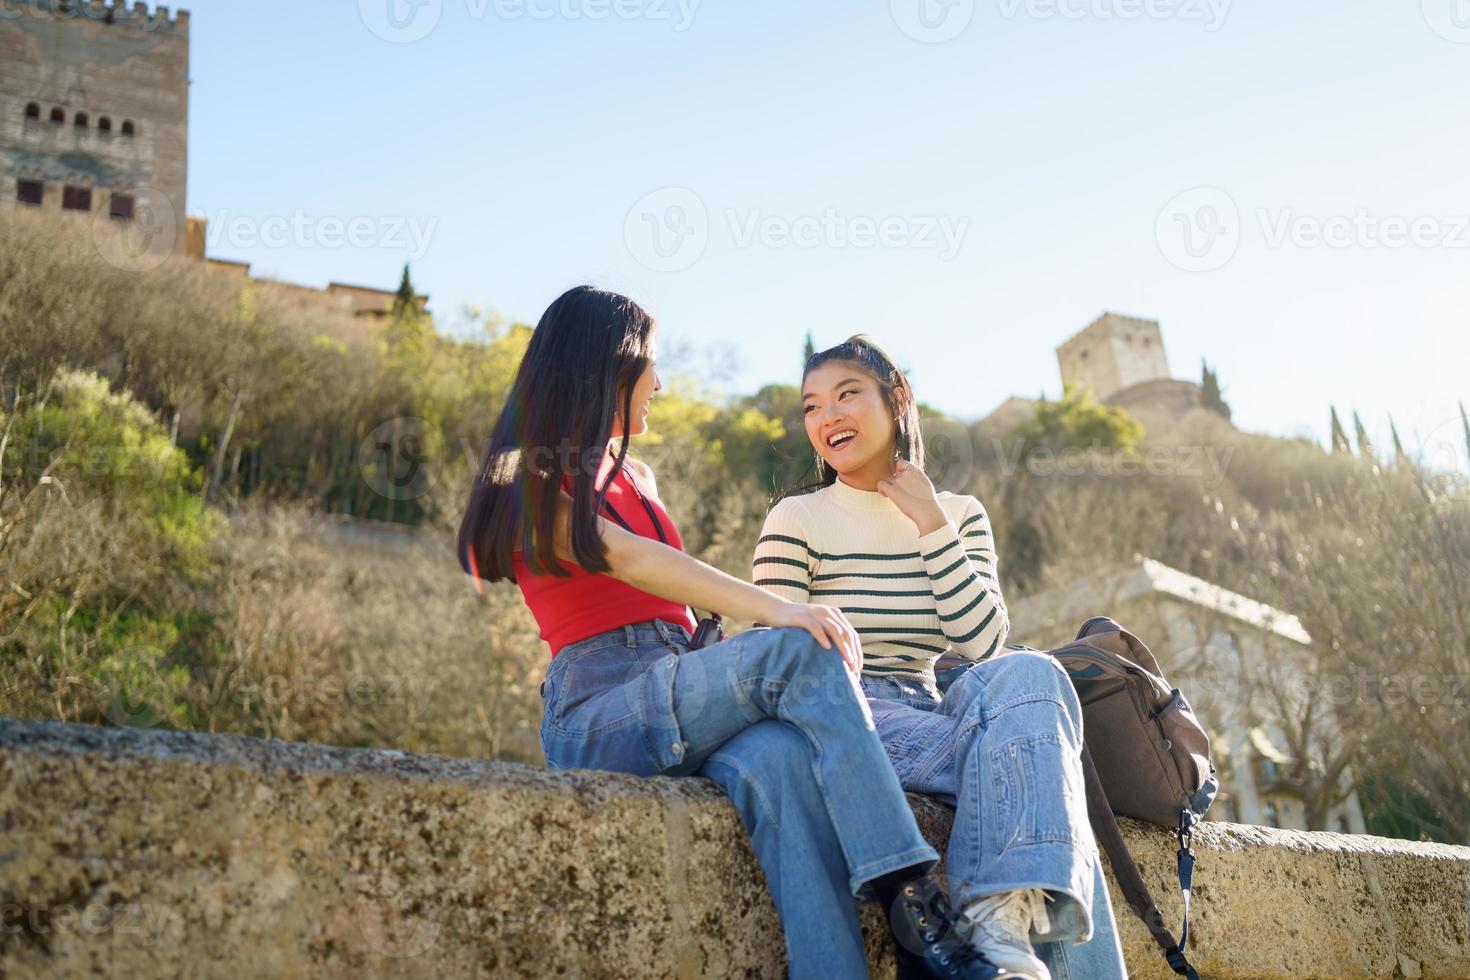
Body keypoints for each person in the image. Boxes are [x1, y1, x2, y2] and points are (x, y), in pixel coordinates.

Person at [457, 288, 1011, 979]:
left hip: (676, 684)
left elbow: (673, 609)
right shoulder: (521, 473)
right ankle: (915, 907)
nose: (660, 382)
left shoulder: (640, 474)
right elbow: (627, 558)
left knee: (783, 760)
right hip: (598, 708)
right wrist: (777, 612)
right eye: (651, 363)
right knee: (800, 645)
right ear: (609, 364)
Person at [752, 335, 1130, 980]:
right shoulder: (798, 517)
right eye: (812, 406)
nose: (828, 417)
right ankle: (1003, 926)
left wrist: (931, 524)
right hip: (848, 711)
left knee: (1033, 671)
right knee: (1043, 776)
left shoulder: (959, 513)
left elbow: (983, 642)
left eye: (848, 395)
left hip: (936, 707)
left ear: (896, 400)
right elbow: (775, 652)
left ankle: (994, 915)